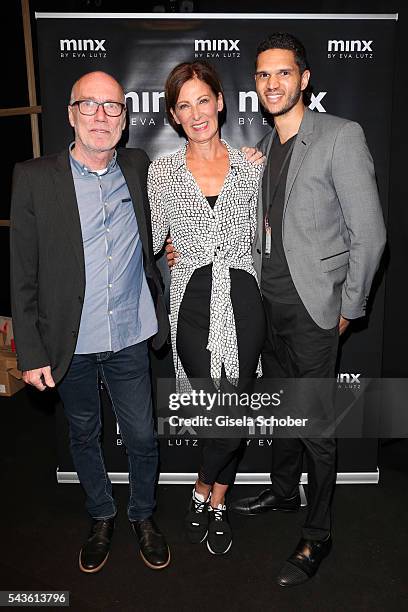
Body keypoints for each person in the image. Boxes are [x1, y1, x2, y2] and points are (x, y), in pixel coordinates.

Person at [167, 33, 386, 585]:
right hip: (266, 306)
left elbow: (372, 234)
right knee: (282, 412)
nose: (272, 83)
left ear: (304, 80)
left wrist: (348, 310)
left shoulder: (340, 135)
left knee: (315, 427)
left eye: (283, 73)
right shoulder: (262, 151)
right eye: (263, 75)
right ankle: (285, 493)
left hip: (316, 311)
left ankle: (318, 537)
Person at [10, 71, 170, 574]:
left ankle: (143, 516)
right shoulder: (34, 177)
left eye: (112, 107)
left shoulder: (139, 166)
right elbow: (23, 272)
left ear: (124, 119)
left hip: (128, 335)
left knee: (142, 437)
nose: (101, 116)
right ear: (71, 114)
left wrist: (252, 161)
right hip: (69, 341)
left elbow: (198, 171)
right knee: (83, 434)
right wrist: (31, 353)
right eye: (90, 105)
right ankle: (101, 516)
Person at [148, 61, 266, 555]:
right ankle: (208, 490)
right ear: (174, 116)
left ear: (220, 102)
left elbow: (269, 234)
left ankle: (211, 495)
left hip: (243, 296)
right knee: (218, 413)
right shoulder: (162, 171)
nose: (195, 113)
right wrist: (171, 251)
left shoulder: (253, 166)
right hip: (192, 300)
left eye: (203, 100)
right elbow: (151, 240)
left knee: (235, 409)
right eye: (184, 105)